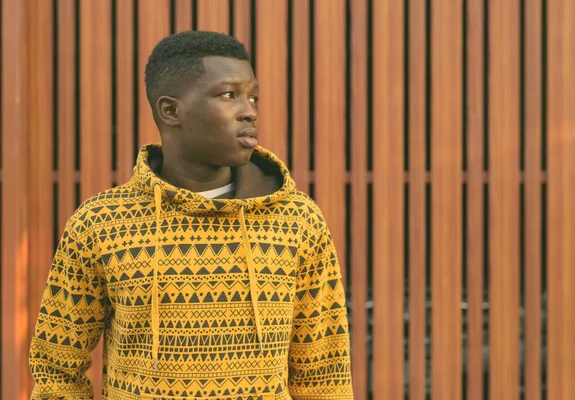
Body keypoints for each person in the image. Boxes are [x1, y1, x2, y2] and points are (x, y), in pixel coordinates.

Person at [29, 31, 354, 399]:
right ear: (171, 110)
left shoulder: (297, 220)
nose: (249, 110)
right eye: (229, 94)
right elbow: (56, 367)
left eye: (253, 97)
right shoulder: (100, 223)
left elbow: (324, 372)